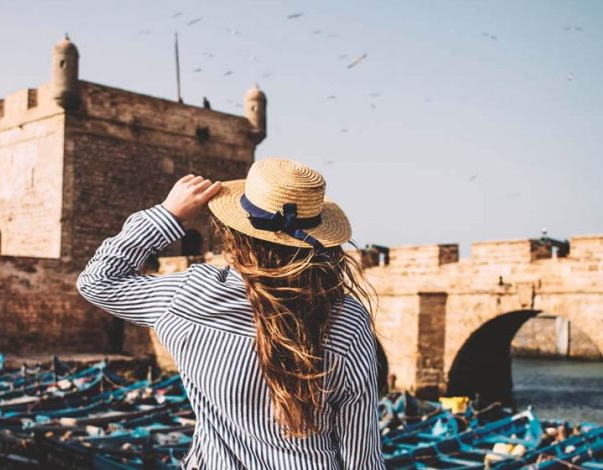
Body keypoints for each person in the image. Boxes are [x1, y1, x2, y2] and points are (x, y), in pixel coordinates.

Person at [76, 158, 385, 469]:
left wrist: (168, 215)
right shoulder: (346, 318)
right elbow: (362, 454)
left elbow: (98, 281)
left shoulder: (191, 297)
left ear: (233, 232)